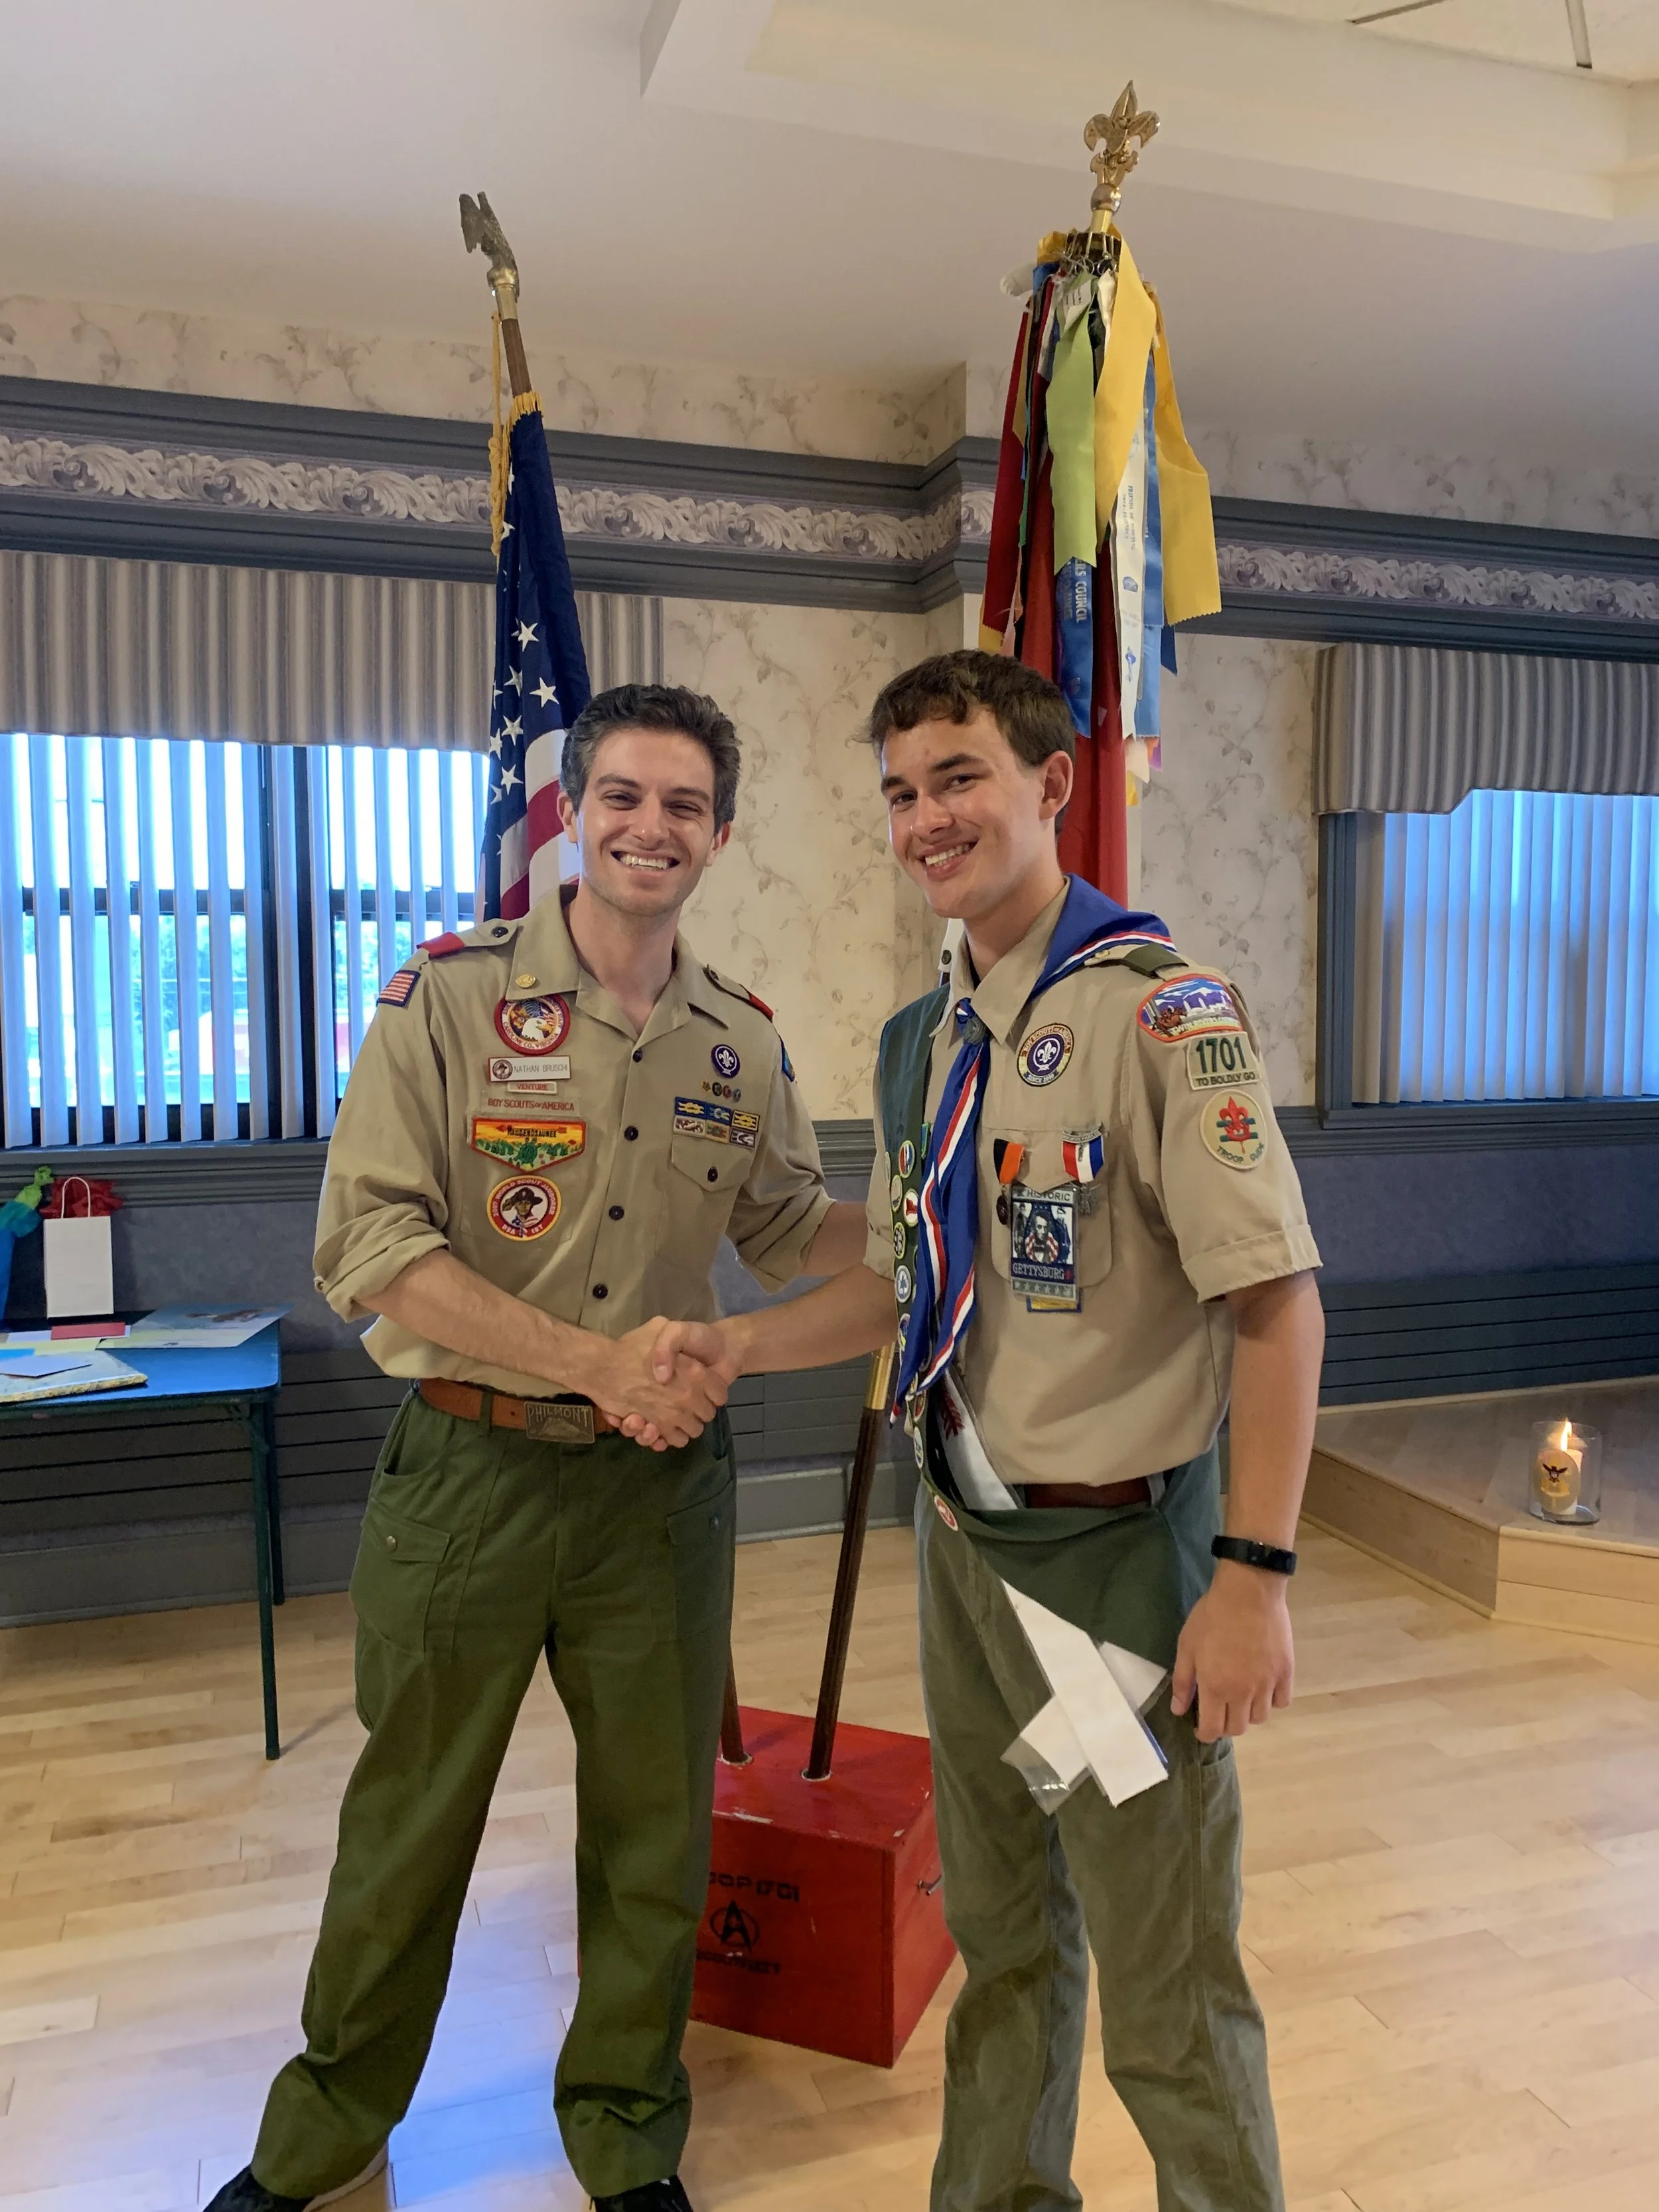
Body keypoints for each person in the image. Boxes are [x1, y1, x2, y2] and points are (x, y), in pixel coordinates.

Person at [644, 651, 1325, 2212]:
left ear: (1048, 785)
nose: (924, 816)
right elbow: (901, 1283)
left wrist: (1255, 1578)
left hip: (1108, 1587)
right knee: (1002, 1939)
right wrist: (733, 1340)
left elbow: (1277, 1309)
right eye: (898, 791)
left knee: (1163, 1990)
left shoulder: (1161, 1018)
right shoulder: (921, 1043)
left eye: (956, 776)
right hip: (964, 1557)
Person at [208, 684, 867, 2212]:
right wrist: (597, 1367)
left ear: (719, 831)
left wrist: (931, 1222)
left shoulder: (741, 1043)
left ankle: (628, 2132)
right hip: (471, 1473)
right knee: (410, 1821)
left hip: (659, 1501)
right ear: (571, 809)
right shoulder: (443, 998)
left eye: (685, 805)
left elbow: (788, 1236)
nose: (653, 828)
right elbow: (366, 1245)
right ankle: (322, 2136)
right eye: (624, 796)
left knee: (654, 1830)